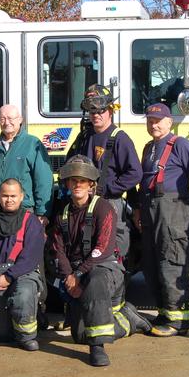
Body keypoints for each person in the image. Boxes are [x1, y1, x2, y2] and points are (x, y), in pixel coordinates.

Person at [51, 155, 151, 367]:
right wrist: (69, 277)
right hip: (76, 273)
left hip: (104, 269)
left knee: (95, 280)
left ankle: (97, 348)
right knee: (80, 335)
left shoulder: (104, 208)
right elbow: (57, 250)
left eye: (82, 180)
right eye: (73, 180)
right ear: (67, 183)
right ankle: (128, 320)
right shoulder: (62, 214)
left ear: (91, 185)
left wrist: (77, 276)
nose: (77, 184)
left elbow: (103, 249)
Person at [133, 103, 189, 337]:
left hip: (173, 211)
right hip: (150, 210)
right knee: (152, 265)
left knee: (172, 264)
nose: (154, 124)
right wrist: (137, 208)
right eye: (150, 120)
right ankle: (166, 313)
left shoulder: (182, 145)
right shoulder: (149, 148)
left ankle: (179, 321)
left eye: (158, 120)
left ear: (169, 122)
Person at [67, 84, 142, 259]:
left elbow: (135, 173)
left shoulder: (120, 138)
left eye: (100, 111)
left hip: (109, 202)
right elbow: (70, 163)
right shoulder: (84, 136)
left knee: (110, 253)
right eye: (92, 111)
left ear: (110, 111)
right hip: (83, 204)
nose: (96, 115)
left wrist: (108, 189)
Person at [0, 178, 45, 351]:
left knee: (23, 295)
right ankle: (18, 322)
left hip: (23, 273)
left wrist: (9, 277)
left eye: (13, 196)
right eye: (5, 196)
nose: (9, 200)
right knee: (2, 336)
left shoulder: (31, 222)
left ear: (21, 197)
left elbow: (30, 257)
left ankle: (27, 337)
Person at [0, 105, 53, 223]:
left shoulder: (33, 144)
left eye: (11, 118)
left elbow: (44, 181)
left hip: (25, 212)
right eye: (2, 119)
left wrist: (42, 212)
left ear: (20, 119)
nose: (6, 123)